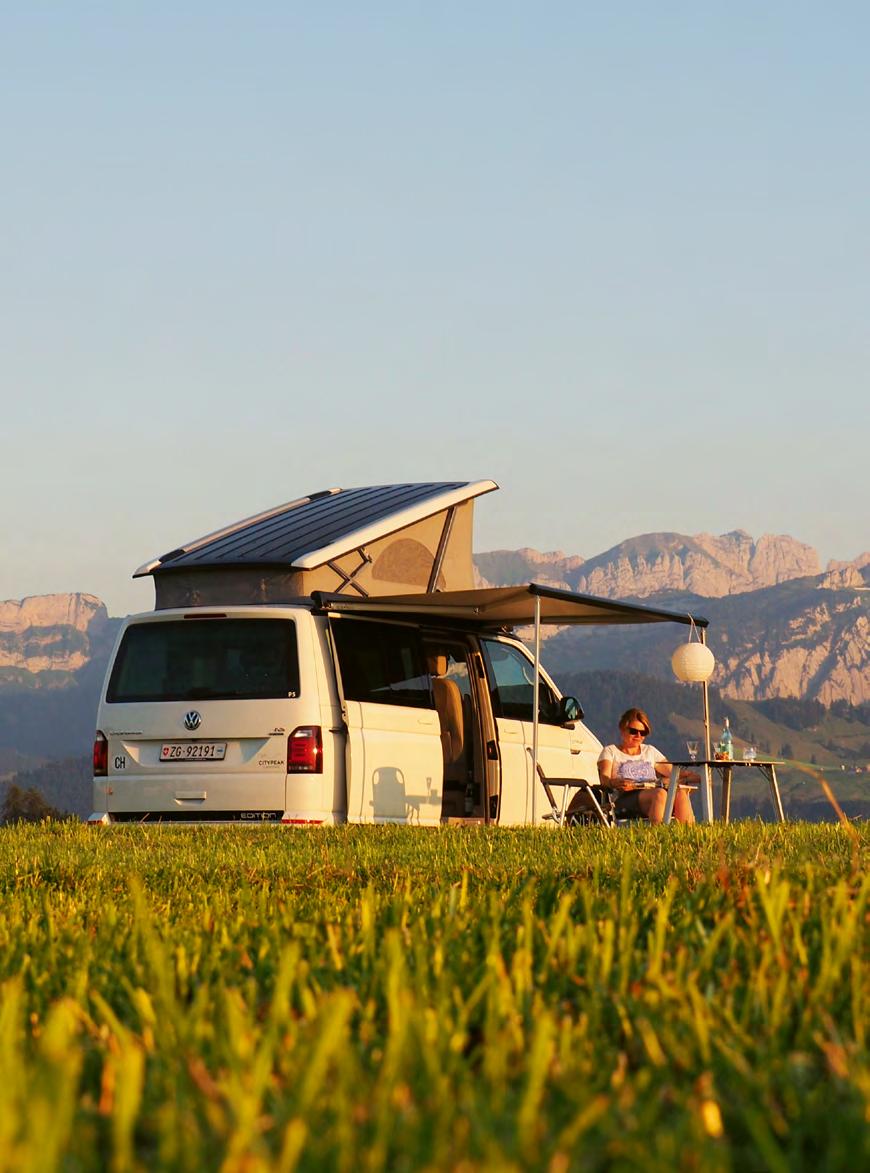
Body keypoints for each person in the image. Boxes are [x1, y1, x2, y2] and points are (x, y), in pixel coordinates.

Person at [597, 707, 696, 824]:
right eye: (633, 731)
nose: (638, 736)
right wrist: (614, 783)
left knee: (680, 793)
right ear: (622, 729)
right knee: (660, 794)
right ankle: (659, 832)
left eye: (643, 733)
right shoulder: (610, 751)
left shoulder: (649, 750)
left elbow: (673, 773)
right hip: (624, 798)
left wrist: (697, 777)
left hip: (651, 793)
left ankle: (687, 832)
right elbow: (604, 778)